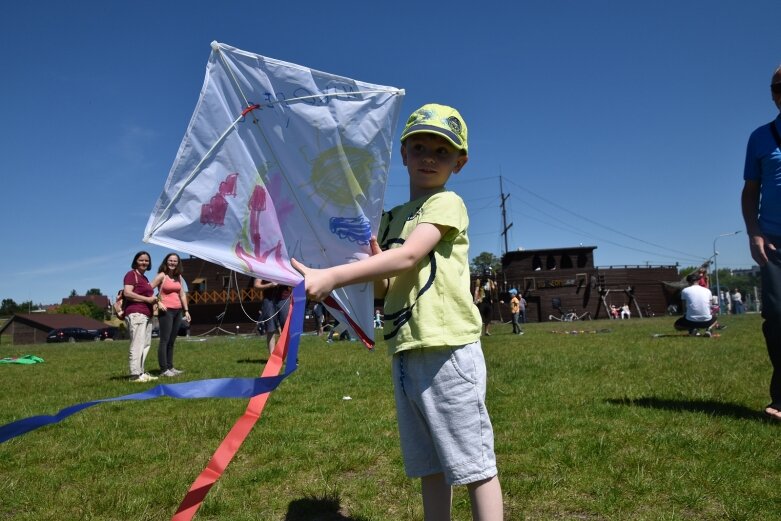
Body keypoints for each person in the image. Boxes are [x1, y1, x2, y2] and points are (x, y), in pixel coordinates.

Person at [292, 104, 503, 520]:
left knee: (474, 464)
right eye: (419, 146)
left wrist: (333, 275)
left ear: (459, 163)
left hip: (447, 347)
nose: (429, 157)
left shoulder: (447, 203)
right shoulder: (388, 219)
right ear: (403, 153)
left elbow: (407, 256)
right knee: (429, 464)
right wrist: (357, 262)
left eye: (442, 152)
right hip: (406, 348)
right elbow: (386, 284)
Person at [742, 65, 781, 421]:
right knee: (777, 317)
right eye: (779, 87)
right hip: (774, 242)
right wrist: (754, 232)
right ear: (773, 93)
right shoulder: (760, 137)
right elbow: (750, 192)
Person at [150, 253, 190, 377]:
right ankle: (163, 369)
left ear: (178, 263)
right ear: (166, 262)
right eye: (170, 260)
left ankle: (170, 367)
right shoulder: (162, 275)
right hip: (166, 311)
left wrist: (186, 310)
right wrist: (158, 301)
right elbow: (148, 290)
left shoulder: (178, 277)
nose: (172, 263)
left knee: (172, 340)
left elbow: (182, 294)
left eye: (175, 261)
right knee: (164, 340)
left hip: (178, 311)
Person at [123, 251, 158, 382]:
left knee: (145, 344)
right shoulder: (131, 275)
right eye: (141, 260)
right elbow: (127, 293)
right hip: (136, 313)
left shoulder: (145, 278)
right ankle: (134, 374)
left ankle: (141, 372)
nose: (144, 263)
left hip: (147, 315)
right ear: (136, 261)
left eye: (146, 261)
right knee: (137, 344)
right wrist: (147, 299)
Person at [254, 279, 291, 355]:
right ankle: (272, 357)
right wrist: (270, 285)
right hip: (268, 299)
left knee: (287, 327)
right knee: (271, 329)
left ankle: (291, 356)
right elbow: (256, 286)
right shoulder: (262, 267)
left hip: (284, 298)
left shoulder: (285, 266)